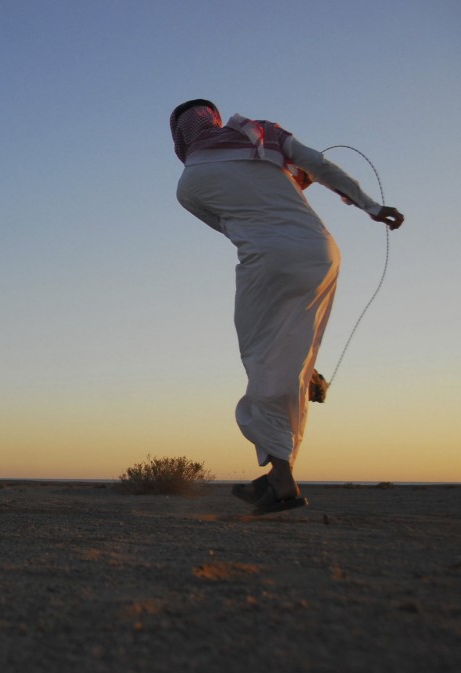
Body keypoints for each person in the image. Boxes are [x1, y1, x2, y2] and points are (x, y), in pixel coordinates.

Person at [169, 99, 404, 514]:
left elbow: (236, 224)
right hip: (322, 252)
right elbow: (321, 167)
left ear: (180, 135)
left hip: (268, 259)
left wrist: (288, 186)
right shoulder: (262, 135)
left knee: (262, 354)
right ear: (216, 119)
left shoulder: (188, 186)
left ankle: (280, 476)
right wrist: (370, 206)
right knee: (290, 349)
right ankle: (283, 463)